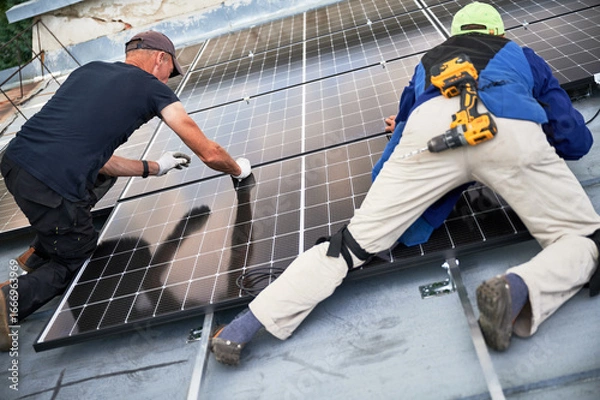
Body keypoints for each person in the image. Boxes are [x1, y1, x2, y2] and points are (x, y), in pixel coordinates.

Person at [208, 2, 600, 366]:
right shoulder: (523, 54)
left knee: (349, 247)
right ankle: (517, 288)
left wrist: (399, 203)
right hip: (507, 127)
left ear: (454, 35)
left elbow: (399, 137)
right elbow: (574, 141)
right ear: (498, 32)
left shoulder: (429, 63)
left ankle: (242, 328)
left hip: (427, 134)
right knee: (584, 237)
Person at [0, 30, 251, 351]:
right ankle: (7, 301)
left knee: (102, 179)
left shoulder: (89, 70)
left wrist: (155, 167)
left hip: (15, 163)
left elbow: (98, 161)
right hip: (52, 186)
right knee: (75, 264)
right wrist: (238, 168)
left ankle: (38, 250)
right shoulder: (153, 90)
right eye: (170, 72)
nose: (168, 81)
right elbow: (209, 152)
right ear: (160, 58)